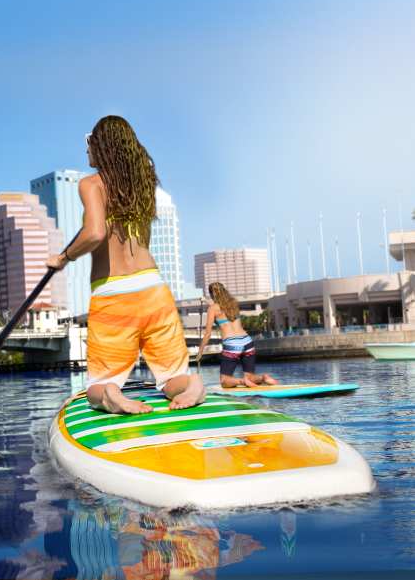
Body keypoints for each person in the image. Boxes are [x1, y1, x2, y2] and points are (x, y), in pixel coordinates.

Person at [46, 116, 205, 414]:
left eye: (89, 142)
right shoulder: (142, 187)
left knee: (97, 386)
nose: (86, 150)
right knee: (172, 377)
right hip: (154, 290)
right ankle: (191, 384)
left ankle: (109, 393)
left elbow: (95, 232)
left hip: (114, 294)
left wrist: (63, 258)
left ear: (102, 146)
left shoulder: (92, 184)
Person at [197, 282, 277, 388]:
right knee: (250, 376)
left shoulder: (212, 309)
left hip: (232, 344)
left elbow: (207, 334)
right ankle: (263, 377)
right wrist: (207, 302)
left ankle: (242, 382)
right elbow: (222, 308)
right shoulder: (234, 303)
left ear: (212, 294)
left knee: (224, 381)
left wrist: (200, 352)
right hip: (247, 341)